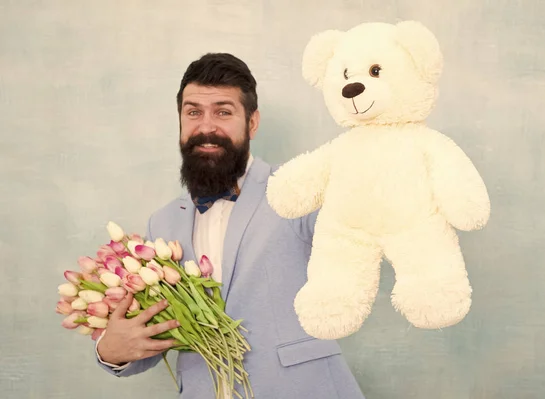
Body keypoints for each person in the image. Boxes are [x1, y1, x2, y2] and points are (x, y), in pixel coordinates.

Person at [95, 53, 365, 399]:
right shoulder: (162, 221)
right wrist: (111, 352)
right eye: (193, 112)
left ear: (252, 123)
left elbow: (365, 218)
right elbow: (159, 329)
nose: (206, 127)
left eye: (223, 112)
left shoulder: (298, 186)